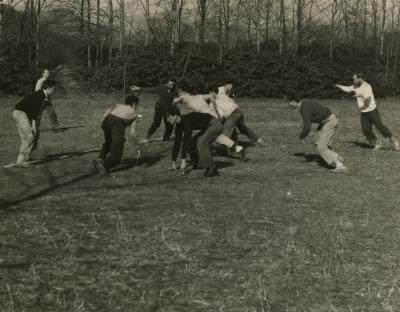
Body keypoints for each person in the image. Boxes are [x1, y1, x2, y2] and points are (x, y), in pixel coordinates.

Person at [172, 89, 245, 177]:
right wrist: (216, 109)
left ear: (183, 92)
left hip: (210, 120)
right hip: (209, 118)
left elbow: (175, 100)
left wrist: (172, 107)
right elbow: (211, 97)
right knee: (208, 139)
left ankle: (211, 167)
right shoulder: (198, 96)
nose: (179, 95)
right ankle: (199, 163)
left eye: (179, 93)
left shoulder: (184, 97)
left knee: (203, 142)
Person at [335, 73, 400, 151]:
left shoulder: (367, 87)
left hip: (372, 111)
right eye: (353, 80)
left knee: (380, 127)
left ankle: (394, 141)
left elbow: (367, 102)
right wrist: (341, 87)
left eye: (355, 79)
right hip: (364, 112)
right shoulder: (356, 85)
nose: (354, 81)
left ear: (361, 78)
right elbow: (349, 88)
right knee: (365, 130)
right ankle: (377, 143)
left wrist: (359, 98)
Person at [288, 95, 347, 173]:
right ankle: (336, 156)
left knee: (321, 147)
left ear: (293, 102)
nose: (289, 105)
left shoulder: (304, 108)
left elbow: (307, 126)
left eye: (289, 103)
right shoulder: (306, 102)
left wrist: (302, 136)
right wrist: (320, 128)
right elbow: (320, 112)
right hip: (325, 122)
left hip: (329, 122)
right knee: (316, 140)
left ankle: (339, 165)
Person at [12, 80, 57, 167]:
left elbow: (38, 112)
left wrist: (36, 126)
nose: (54, 91)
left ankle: (25, 158)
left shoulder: (44, 96)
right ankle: (20, 161)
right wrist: (33, 125)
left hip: (20, 114)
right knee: (31, 135)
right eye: (53, 88)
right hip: (20, 113)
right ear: (48, 88)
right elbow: (35, 110)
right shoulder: (40, 95)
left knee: (31, 137)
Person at [92, 95, 141, 175]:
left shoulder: (117, 105)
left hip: (107, 121)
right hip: (118, 124)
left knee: (108, 142)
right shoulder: (134, 114)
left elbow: (103, 117)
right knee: (117, 154)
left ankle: (100, 158)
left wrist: (105, 127)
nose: (137, 107)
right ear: (134, 104)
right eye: (137, 105)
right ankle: (102, 162)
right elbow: (132, 134)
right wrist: (137, 146)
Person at [33, 69, 60, 149]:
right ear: (43, 74)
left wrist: (49, 99)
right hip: (42, 100)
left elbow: (49, 91)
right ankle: (35, 128)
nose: (48, 74)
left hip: (48, 100)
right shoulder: (41, 81)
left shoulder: (47, 81)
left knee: (53, 113)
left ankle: (55, 128)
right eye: (46, 73)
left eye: (48, 73)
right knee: (39, 114)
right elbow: (37, 90)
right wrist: (42, 98)